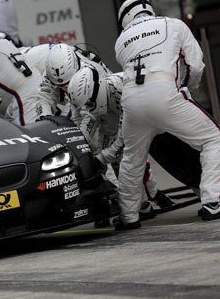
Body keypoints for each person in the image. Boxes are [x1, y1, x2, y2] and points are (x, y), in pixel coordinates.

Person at [114, 0, 220, 229]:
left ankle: (128, 216)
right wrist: (186, 87)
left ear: (125, 18)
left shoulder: (121, 40)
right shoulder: (174, 24)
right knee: (215, 139)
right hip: (165, 93)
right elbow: (196, 65)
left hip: (130, 101)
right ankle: (214, 201)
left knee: (132, 159)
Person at [67, 67, 174, 215]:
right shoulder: (95, 97)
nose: (88, 109)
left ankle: (153, 196)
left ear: (97, 91)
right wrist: (77, 143)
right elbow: (90, 119)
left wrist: (102, 158)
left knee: (131, 160)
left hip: (142, 115)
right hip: (111, 117)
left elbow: (127, 139)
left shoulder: (123, 92)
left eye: (89, 104)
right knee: (113, 163)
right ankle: (142, 206)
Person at [32, 43, 111, 120]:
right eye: (60, 85)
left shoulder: (93, 73)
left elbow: (85, 110)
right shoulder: (51, 73)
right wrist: (45, 117)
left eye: (67, 83)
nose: (64, 87)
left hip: (106, 103)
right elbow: (43, 98)